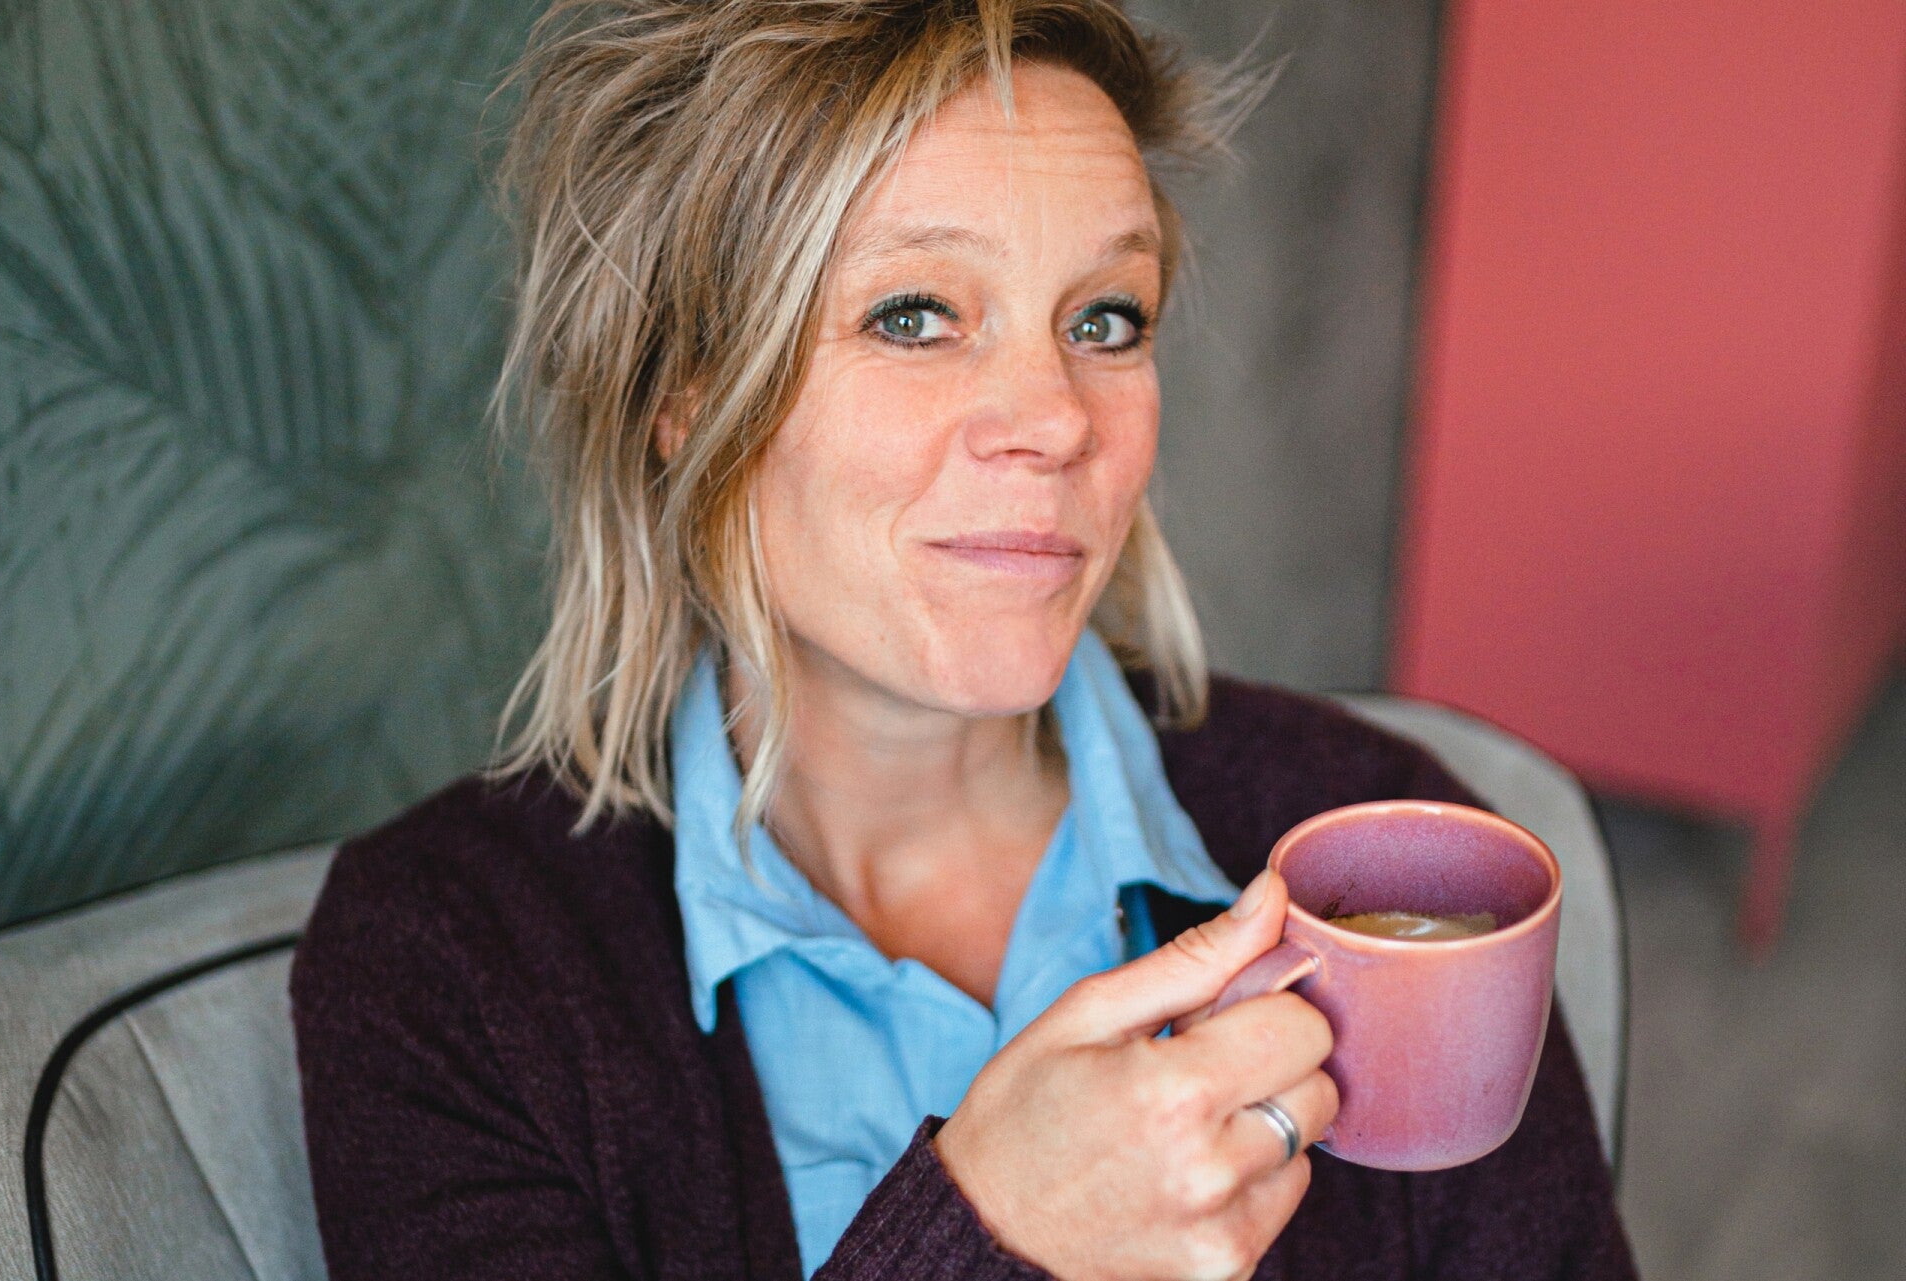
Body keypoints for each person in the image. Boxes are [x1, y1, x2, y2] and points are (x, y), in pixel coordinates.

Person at [289, 2, 1637, 1278]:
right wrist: (996, 1232)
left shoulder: (1382, 851)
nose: (1057, 418)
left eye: (1104, 319)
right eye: (915, 314)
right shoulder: (448, 965)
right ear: (686, 394)